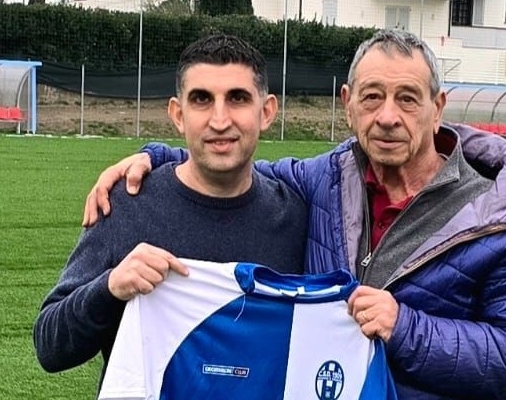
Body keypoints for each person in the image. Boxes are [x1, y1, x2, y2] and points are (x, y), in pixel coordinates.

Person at [82, 29, 506, 399]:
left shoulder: (505, 215)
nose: (388, 117)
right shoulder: (324, 178)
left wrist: (406, 328)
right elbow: (235, 162)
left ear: (437, 107)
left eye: (407, 98)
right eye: (372, 97)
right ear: (348, 104)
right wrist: (156, 158)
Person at [33, 34, 309, 393]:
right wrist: (110, 287)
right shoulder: (126, 203)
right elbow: (50, 347)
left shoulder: (295, 216)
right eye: (202, 99)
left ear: (267, 111)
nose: (220, 119)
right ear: (178, 115)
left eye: (237, 98)